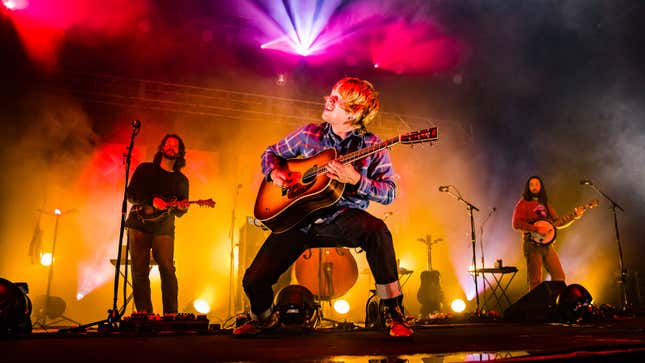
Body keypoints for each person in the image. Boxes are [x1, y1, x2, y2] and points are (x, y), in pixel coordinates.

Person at [234, 77, 413, 338]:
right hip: (297, 221)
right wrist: (274, 173)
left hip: (341, 218)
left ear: (354, 112)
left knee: (377, 231)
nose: (327, 100)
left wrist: (357, 180)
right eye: (330, 94)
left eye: (336, 99)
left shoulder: (373, 146)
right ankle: (263, 319)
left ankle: (394, 311)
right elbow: (270, 153)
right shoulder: (309, 134)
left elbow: (389, 193)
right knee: (253, 281)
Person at [125, 134, 189, 314]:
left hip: (164, 228)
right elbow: (130, 195)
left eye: (175, 145)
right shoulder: (145, 169)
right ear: (161, 147)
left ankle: (171, 314)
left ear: (180, 152)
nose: (171, 147)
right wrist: (151, 201)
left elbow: (181, 211)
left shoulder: (181, 180)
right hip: (139, 224)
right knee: (139, 270)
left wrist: (182, 208)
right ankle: (145, 314)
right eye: (168, 143)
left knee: (168, 269)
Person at [512, 176, 582, 291]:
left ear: (541, 187)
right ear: (528, 187)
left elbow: (557, 223)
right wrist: (536, 229)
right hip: (532, 244)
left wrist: (574, 215)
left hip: (547, 245)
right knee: (535, 281)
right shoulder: (523, 203)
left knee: (559, 277)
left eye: (537, 184)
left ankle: (555, 305)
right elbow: (516, 223)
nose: (534, 187)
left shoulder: (546, 204)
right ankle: (536, 308)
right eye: (532, 185)